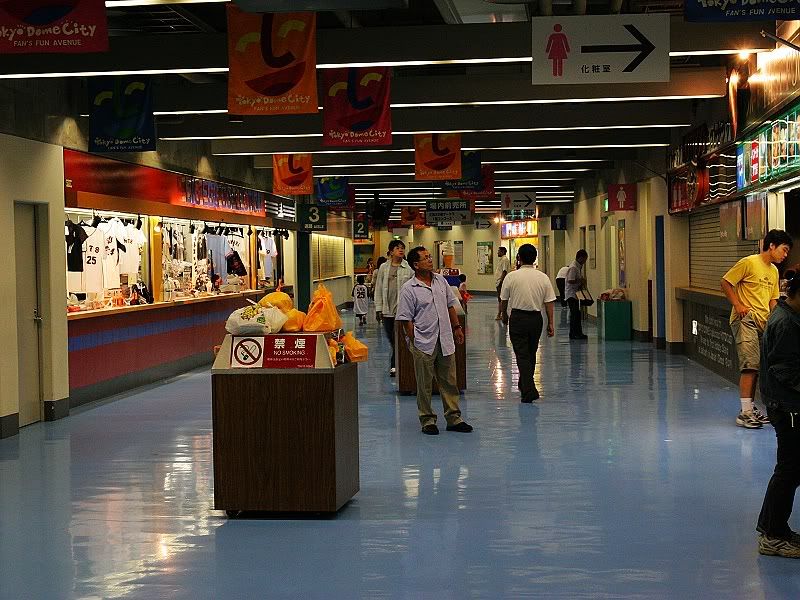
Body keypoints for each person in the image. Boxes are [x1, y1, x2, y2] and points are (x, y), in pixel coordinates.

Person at [396, 246, 473, 435]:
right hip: (423, 342)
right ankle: (427, 419)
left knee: (449, 381)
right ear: (416, 265)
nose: (430, 260)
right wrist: (415, 340)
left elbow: (450, 305)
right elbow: (405, 319)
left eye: (430, 257)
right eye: (426, 258)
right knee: (424, 384)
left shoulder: (441, 281)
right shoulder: (409, 288)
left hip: (444, 339)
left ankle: (454, 418)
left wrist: (457, 328)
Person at [721, 229, 793, 429]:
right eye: (784, 249)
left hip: (764, 322)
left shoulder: (774, 271)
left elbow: (772, 300)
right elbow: (725, 282)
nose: (785, 255)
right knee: (750, 364)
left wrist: (775, 321)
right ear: (772, 245)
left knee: (761, 366)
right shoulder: (749, 262)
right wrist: (738, 305)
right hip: (745, 319)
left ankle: (750, 408)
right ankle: (745, 413)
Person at [756, 273, 800, 558]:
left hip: (786, 404)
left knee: (791, 469)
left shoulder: (789, 316)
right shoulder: (785, 323)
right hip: (788, 407)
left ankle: (772, 527)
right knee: (789, 469)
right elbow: (785, 370)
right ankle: (773, 535)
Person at [501, 244, 556, 403]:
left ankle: (528, 390)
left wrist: (504, 315)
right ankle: (525, 384)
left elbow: (504, 299)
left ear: (519, 257)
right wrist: (551, 323)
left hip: (518, 318)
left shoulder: (511, 277)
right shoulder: (543, 277)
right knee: (531, 352)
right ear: (535, 258)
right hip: (535, 319)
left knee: (522, 354)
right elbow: (549, 302)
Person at [374, 240, 413, 377]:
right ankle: (398, 361)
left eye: (402, 248)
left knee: (399, 338)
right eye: (397, 248)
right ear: (391, 251)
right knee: (391, 338)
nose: (401, 250)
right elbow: (379, 287)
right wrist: (378, 308)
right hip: (387, 310)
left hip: (402, 310)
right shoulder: (384, 268)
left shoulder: (408, 268)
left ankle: (394, 365)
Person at [565, 250, 589, 340]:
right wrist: (580, 280)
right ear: (581, 258)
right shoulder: (574, 267)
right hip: (571, 294)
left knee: (577, 314)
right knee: (575, 314)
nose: (585, 261)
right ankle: (574, 333)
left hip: (575, 294)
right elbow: (570, 280)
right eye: (585, 259)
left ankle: (577, 333)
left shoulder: (578, 267)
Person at [495, 246, 511, 320]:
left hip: (501, 282)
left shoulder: (504, 259)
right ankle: (501, 314)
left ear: (502, 252)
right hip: (499, 281)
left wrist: (501, 281)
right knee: (500, 299)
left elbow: (504, 271)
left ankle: (500, 314)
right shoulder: (501, 259)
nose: (497, 252)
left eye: (499, 251)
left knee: (501, 299)